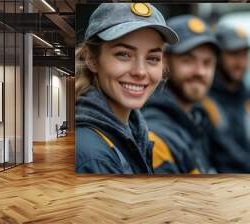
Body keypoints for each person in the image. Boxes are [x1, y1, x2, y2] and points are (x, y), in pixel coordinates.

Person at [75, 3, 178, 174]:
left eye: (152, 58)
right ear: (92, 59)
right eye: (123, 54)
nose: (140, 72)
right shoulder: (93, 155)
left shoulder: (134, 131)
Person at [142, 15, 219, 174]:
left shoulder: (196, 119)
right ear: (164, 63)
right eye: (188, 60)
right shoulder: (155, 134)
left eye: (207, 62)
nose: (200, 72)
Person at [202, 24, 250, 173]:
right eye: (234, 54)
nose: (241, 63)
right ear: (217, 57)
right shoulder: (201, 101)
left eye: (245, 55)